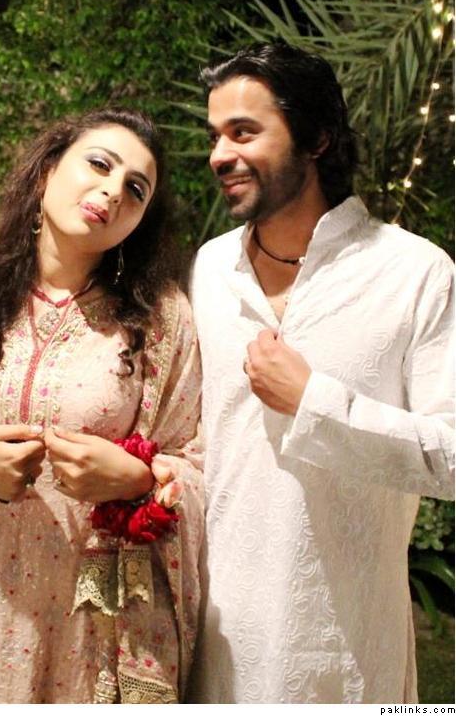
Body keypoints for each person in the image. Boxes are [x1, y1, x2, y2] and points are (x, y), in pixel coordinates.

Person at [188, 43, 454, 704]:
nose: (219, 154)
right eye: (215, 135)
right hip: (214, 644)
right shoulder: (210, 270)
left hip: (345, 651)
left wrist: (316, 401)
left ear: (317, 138)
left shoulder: (414, 273)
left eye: (243, 131)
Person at [0, 107, 203, 705]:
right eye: (99, 164)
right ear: (47, 170)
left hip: (91, 619)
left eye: (136, 189)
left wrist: (139, 479)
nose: (113, 190)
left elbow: (197, 460)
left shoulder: (162, 318)